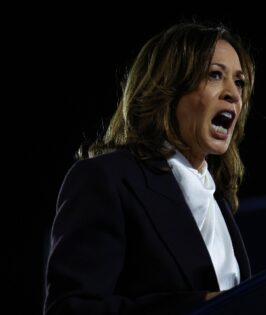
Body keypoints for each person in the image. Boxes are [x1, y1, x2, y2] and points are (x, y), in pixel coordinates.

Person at [43, 21, 255, 315]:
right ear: (169, 87)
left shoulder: (218, 202)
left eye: (240, 82)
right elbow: (71, 309)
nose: (233, 93)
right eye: (215, 75)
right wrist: (198, 306)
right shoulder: (107, 179)